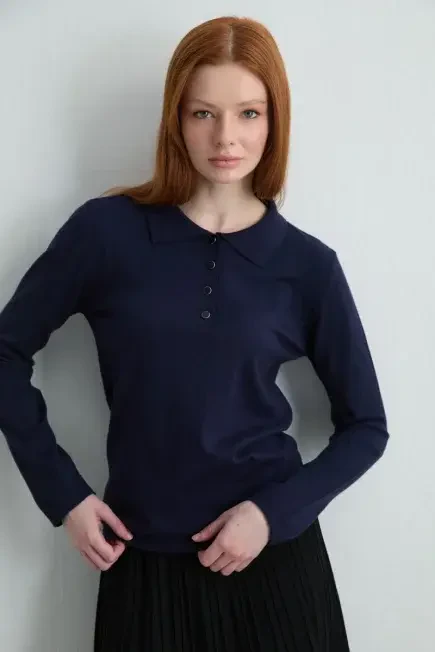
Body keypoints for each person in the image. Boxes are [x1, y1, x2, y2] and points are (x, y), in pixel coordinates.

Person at [0, 14, 389, 652]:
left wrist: (272, 515)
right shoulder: (106, 234)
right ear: (176, 118)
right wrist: (63, 494)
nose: (226, 137)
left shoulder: (307, 266)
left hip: (274, 569)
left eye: (249, 113)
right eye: (203, 113)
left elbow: (367, 426)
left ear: (275, 120)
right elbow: (6, 351)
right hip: (142, 564)